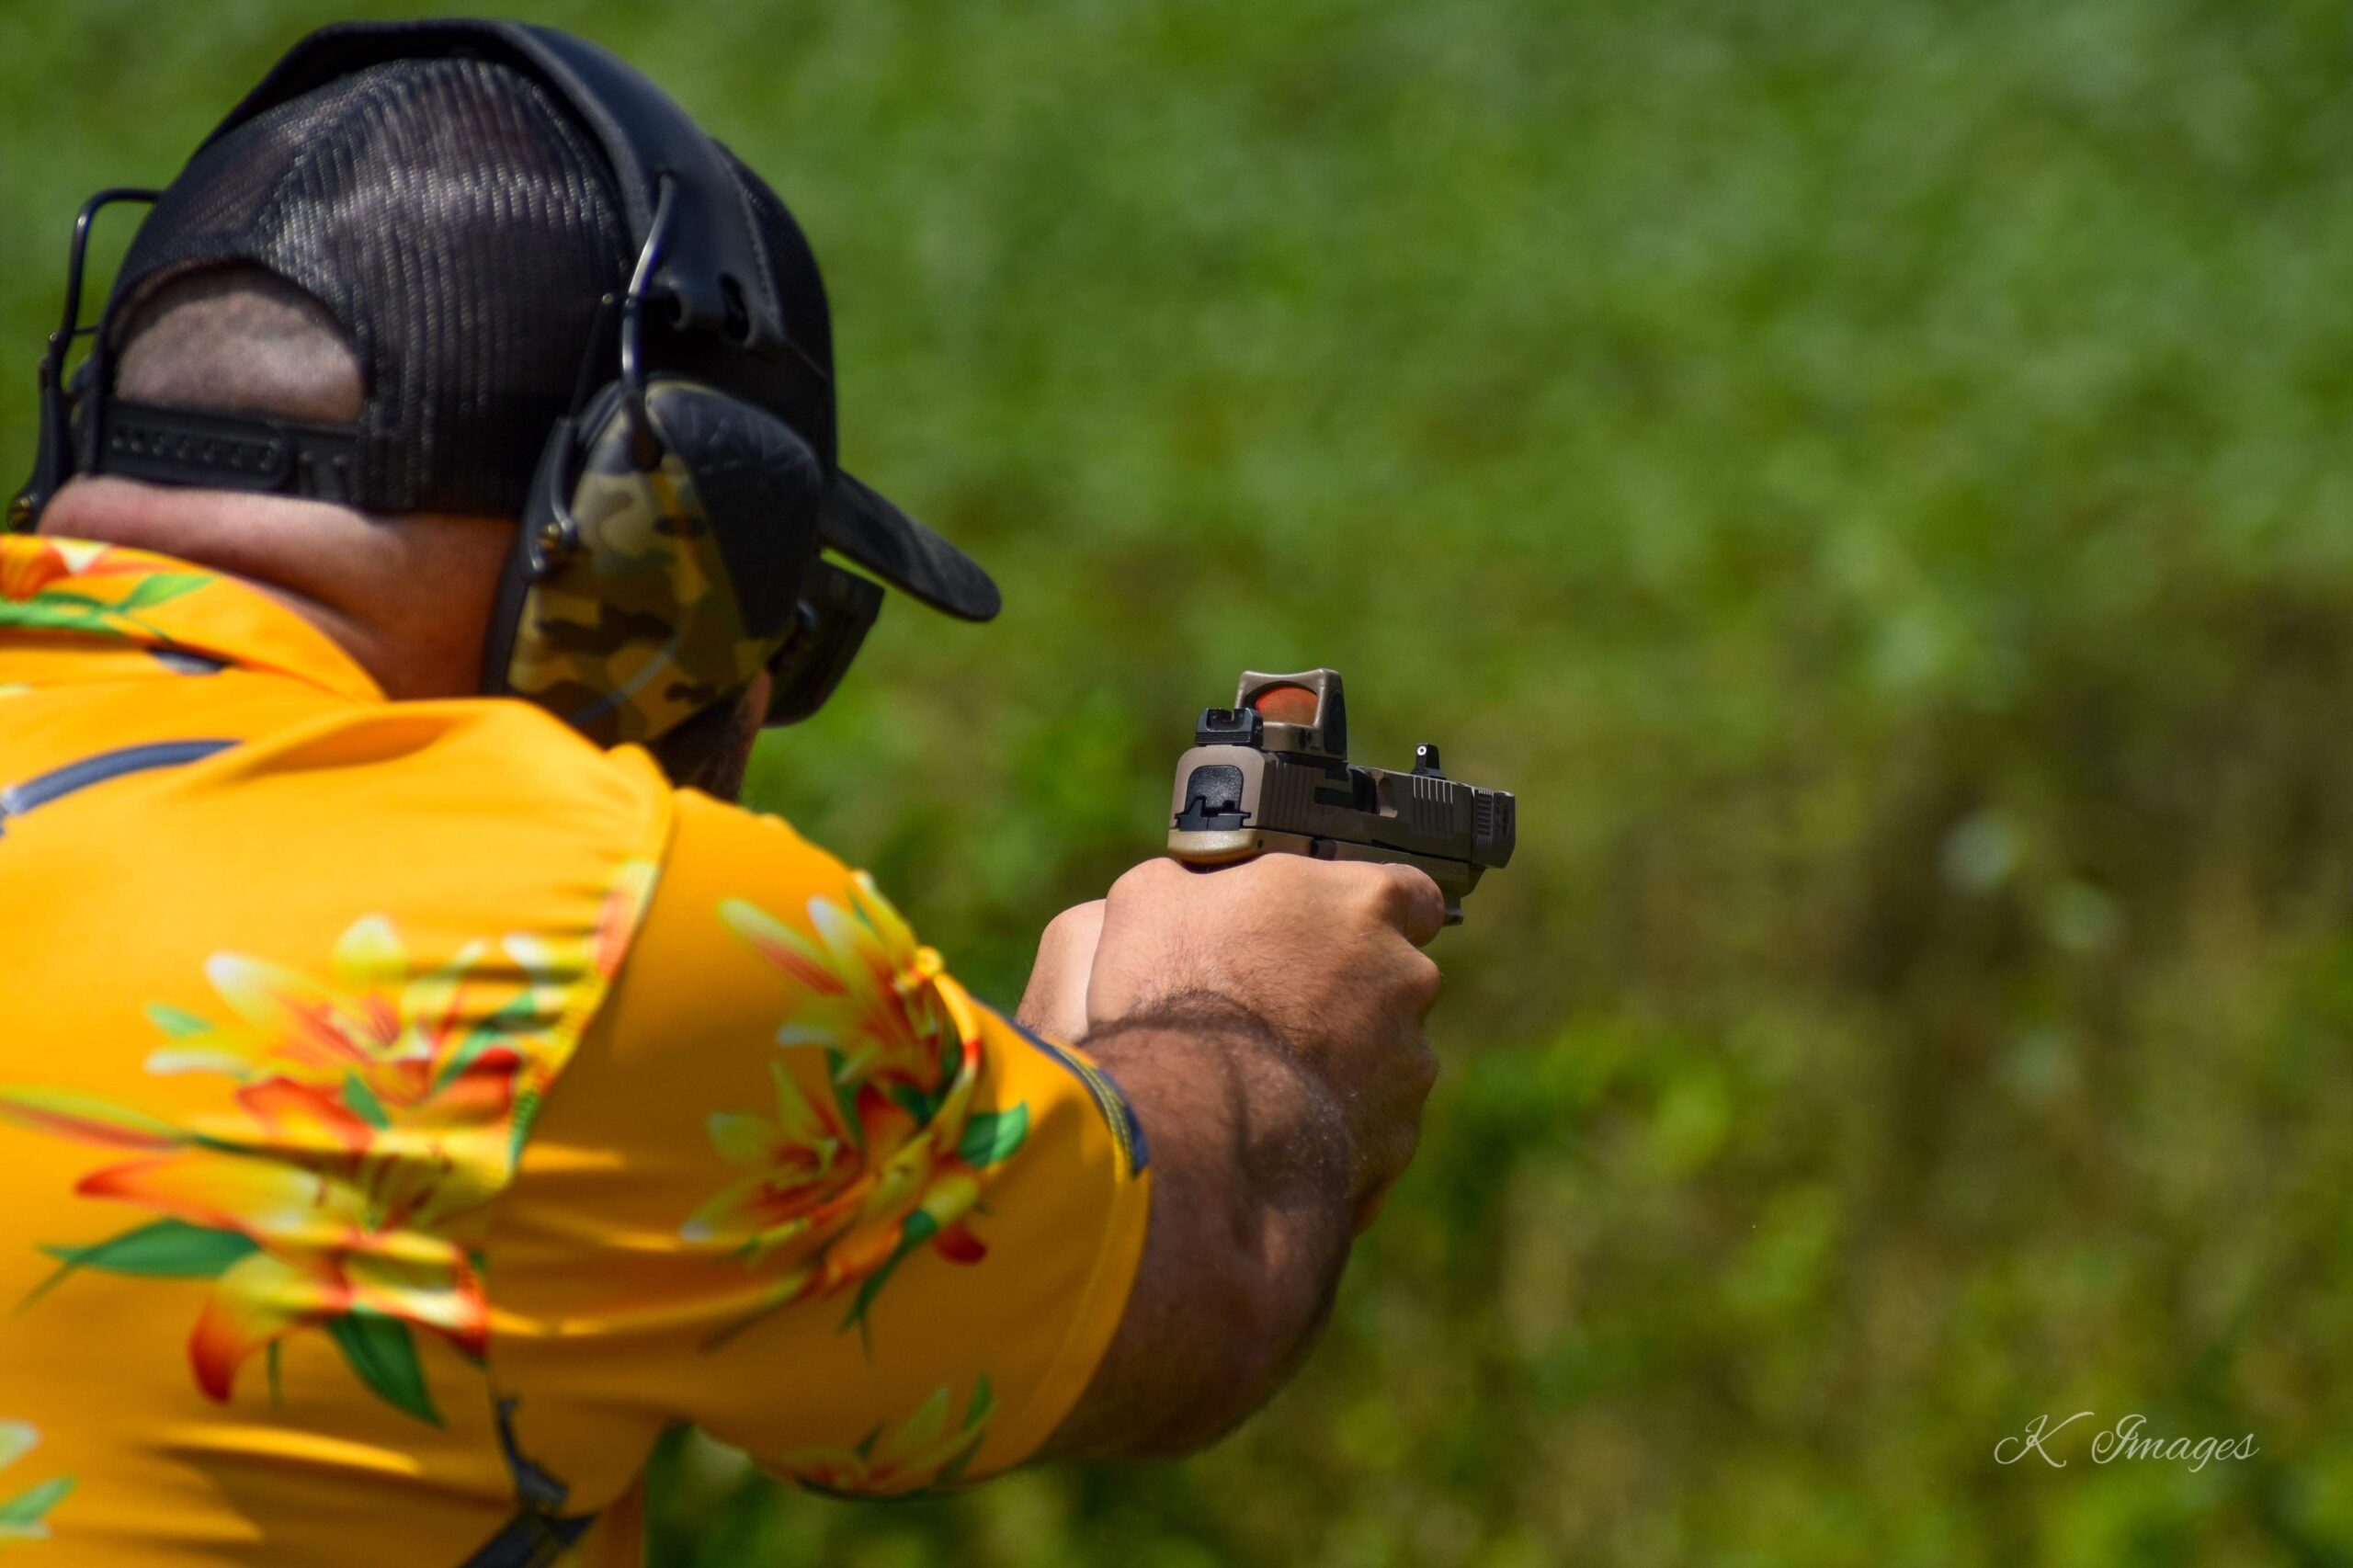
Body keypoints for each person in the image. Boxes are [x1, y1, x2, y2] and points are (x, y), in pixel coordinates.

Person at [0, 21, 1444, 1566]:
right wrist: (1253, 1023)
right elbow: (1200, 1270)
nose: (762, 698)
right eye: (782, 622)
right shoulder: (575, 923)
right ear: (660, 551)